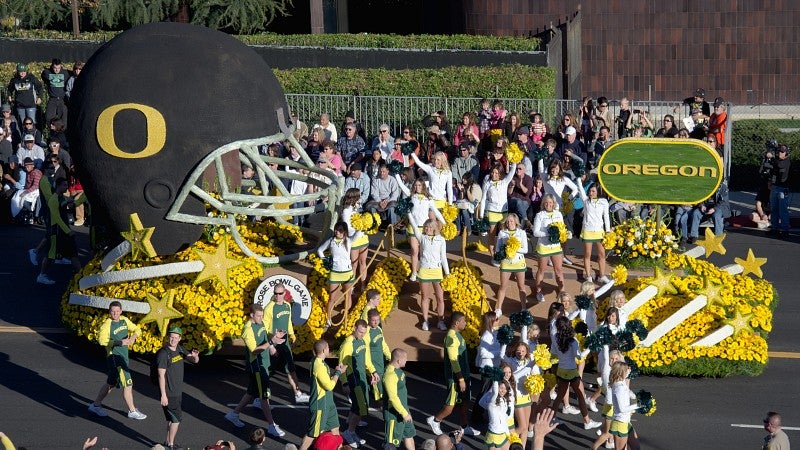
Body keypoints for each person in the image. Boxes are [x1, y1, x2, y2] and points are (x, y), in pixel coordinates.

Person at [223, 304, 287, 437]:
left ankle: (233, 414)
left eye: (262, 315)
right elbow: (255, 350)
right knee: (264, 395)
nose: (261, 318)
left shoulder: (261, 322)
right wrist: (272, 342)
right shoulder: (247, 330)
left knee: (252, 392)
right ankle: (271, 426)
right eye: (259, 316)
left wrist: (272, 344)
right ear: (251, 315)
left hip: (264, 364)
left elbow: (264, 337)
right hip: (256, 366)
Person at [87, 301, 147, 420]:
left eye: (117, 311)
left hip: (123, 357)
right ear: (109, 312)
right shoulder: (107, 325)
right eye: (112, 312)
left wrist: (133, 337)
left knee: (111, 383)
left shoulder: (124, 320)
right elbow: (101, 341)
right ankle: (132, 410)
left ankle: (95, 405)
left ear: (121, 311)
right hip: (114, 357)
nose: (115, 314)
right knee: (128, 384)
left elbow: (137, 329)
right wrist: (120, 342)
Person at [426, 312, 481, 437]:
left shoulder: (458, 336)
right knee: (450, 405)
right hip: (456, 378)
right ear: (457, 323)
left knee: (465, 402)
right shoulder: (451, 337)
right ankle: (435, 420)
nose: (465, 323)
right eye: (464, 321)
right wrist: (460, 379)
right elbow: (453, 360)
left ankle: (464, 426)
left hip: (464, 376)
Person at [550, 316, 601, 430]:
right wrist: (589, 348)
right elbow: (579, 356)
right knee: (581, 396)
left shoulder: (556, 338)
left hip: (561, 371)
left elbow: (553, 352)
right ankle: (587, 422)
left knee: (559, 397)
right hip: (572, 372)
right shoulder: (573, 341)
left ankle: (551, 418)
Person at [263, 283, 311, 404]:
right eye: (275, 293)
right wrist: (271, 345)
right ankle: (259, 396)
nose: (277, 296)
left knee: (290, 368)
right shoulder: (270, 307)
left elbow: (288, 322)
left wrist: (292, 336)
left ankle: (298, 394)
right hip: (274, 344)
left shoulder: (287, 306)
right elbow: (265, 328)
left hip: (285, 344)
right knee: (267, 371)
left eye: (280, 293)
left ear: (285, 293)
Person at [155, 326, 200, 450]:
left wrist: (195, 356)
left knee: (171, 419)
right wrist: (163, 394)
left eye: (176, 337)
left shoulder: (179, 349)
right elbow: (160, 374)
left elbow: (193, 360)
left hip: (177, 392)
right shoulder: (164, 353)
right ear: (168, 337)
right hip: (170, 393)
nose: (173, 340)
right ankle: (171, 445)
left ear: (179, 338)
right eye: (171, 337)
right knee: (176, 420)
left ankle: (167, 442)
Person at [298, 340, 348, 450]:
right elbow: (329, 386)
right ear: (324, 350)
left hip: (328, 403)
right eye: (328, 348)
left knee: (335, 428)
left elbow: (325, 381)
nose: (329, 350)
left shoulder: (321, 363)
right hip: (320, 404)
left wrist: (336, 372)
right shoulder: (318, 365)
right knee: (313, 433)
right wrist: (338, 373)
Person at [395, 175, 446, 282]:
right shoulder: (410, 196)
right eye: (416, 185)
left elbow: (436, 212)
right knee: (414, 250)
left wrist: (445, 223)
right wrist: (396, 174)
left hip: (425, 229)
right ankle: (414, 272)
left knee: (424, 251)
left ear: (423, 187)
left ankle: (424, 270)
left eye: (419, 185)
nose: (417, 187)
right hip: (413, 228)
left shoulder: (428, 199)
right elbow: (400, 184)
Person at [36, 176, 85, 284]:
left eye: (67, 185)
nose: (66, 187)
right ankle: (41, 275)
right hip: (56, 232)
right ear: (58, 186)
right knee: (50, 255)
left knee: (73, 253)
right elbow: (57, 218)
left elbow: (70, 202)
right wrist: (68, 231)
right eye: (64, 185)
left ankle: (81, 276)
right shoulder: (53, 200)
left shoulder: (62, 198)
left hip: (64, 231)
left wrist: (81, 197)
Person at [340, 319, 380, 448]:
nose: (362, 334)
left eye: (364, 332)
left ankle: (351, 431)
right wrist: (344, 382)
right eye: (360, 332)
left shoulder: (362, 341)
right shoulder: (348, 343)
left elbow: (367, 359)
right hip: (354, 378)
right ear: (354, 328)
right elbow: (342, 364)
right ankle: (349, 432)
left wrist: (373, 372)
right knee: (362, 407)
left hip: (362, 377)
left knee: (358, 406)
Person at [409, 216, 450, 331]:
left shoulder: (441, 240)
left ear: (434, 228)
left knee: (440, 298)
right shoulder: (422, 238)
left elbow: (443, 257)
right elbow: (414, 225)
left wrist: (447, 274)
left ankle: (440, 321)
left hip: (437, 271)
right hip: (424, 271)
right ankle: (425, 321)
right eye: (425, 227)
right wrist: (409, 213)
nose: (427, 228)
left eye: (429, 227)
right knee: (425, 297)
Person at [317, 222, 358, 328]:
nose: (337, 232)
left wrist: (362, 223)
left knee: (347, 295)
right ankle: (328, 320)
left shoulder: (349, 240)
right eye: (336, 229)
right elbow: (320, 250)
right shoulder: (331, 241)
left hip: (347, 274)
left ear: (344, 232)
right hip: (334, 274)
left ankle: (346, 317)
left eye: (340, 230)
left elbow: (358, 233)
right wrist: (325, 260)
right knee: (332, 298)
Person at [532, 194, 566, 302]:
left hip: (556, 247)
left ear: (554, 203)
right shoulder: (540, 215)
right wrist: (549, 233)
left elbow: (562, 228)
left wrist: (564, 233)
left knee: (559, 270)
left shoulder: (558, 214)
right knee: (541, 270)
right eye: (546, 203)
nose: (548, 204)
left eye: (550, 202)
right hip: (543, 247)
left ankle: (562, 291)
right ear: (543, 204)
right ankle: (538, 291)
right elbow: (535, 232)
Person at [479, 162, 517, 259]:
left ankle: (503, 254)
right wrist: (481, 216)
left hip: (503, 213)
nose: (494, 175)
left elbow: (512, 171)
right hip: (491, 212)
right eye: (492, 172)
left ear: (500, 174)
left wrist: (514, 161)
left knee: (504, 234)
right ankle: (493, 256)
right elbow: (483, 199)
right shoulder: (488, 183)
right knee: (492, 235)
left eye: (496, 173)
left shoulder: (504, 181)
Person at [577, 180, 611, 283]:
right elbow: (580, 188)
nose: (590, 193)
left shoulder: (604, 202)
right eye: (590, 191)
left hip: (599, 231)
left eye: (593, 191)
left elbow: (606, 216)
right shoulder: (586, 200)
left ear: (598, 192)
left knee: (602, 254)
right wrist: (578, 177)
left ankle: (602, 275)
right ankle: (588, 276)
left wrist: (608, 231)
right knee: (587, 254)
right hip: (587, 231)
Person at [494, 213, 529, 314]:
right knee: (503, 286)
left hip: (519, 262)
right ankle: (499, 308)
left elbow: (525, 250)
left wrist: (514, 247)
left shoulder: (521, 233)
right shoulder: (502, 233)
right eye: (508, 221)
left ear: (516, 222)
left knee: (521, 286)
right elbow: (497, 249)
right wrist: (505, 250)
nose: (509, 223)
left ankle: (523, 308)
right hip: (506, 262)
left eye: (511, 221)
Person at [383, 348, 416, 450]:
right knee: (392, 445)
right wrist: (404, 413)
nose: (406, 360)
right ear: (398, 361)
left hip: (404, 410)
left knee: (409, 434)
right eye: (405, 359)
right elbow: (393, 398)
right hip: (395, 414)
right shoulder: (390, 375)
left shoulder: (398, 371)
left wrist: (405, 411)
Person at [340, 188, 370, 292]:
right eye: (359, 196)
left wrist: (365, 226)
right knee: (353, 264)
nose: (360, 198)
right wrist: (360, 228)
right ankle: (350, 287)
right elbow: (348, 227)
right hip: (353, 240)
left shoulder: (356, 208)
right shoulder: (346, 211)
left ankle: (363, 285)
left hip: (363, 239)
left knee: (363, 262)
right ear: (354, 197)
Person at [609, 361, 641, 450]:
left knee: (636, 448)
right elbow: (622, 409)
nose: (628, 371)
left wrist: (637, 397)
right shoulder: (619, 388)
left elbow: (629, 392)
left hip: (626, 422)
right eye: (627, 370)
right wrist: (638, 405)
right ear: (621, 373)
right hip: (620, 424)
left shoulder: (622, 382)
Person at [478, 379, 514, 450]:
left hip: (503, 434)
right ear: (497, 388)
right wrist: (496, 379)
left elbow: (504, 419)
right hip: (494, 436)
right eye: (501, 388)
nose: (503, 390)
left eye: (505, 389)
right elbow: (494, 392)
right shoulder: (492, 400)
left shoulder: (504, 400)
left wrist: (508, 434)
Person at [366, 308, 391, 403]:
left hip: (380, 362)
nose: (376, 322)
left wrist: (391, 358)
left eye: (378, 320)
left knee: (382, 389)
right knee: (379, 393)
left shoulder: (379, 329)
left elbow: (383, 345)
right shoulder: (366, 333)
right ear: (368, 320)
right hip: (373, 365)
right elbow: (366, 352)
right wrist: (371, 369)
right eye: (373, 320)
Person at [767, 144, 791, 236]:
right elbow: (772, 171)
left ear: (786, 153)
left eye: (782, 152)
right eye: (779, 152)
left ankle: (785, 230)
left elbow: (780, 166)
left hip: (782, 189)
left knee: (783, 210)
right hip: (775, 187)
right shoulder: (776, 161)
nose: (780, 153)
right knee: (774, 209)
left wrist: (772, 157)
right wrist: (770, 181)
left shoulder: (786, 161)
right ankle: (774, 227)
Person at [41, 58, 70, 125]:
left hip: (62, 100)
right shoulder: (47, 72)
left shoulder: (66, 73)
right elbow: (43, 77)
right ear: (52, 66)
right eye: (55, 68)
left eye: (58, 68)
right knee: (48, 117)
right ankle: (52, 132)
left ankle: (62, 133)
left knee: (63, 118)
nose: (57, 70)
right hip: (52, 99)